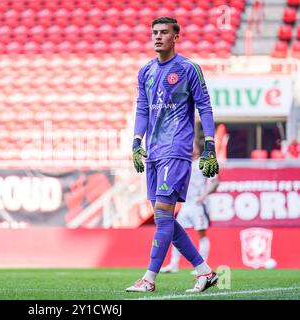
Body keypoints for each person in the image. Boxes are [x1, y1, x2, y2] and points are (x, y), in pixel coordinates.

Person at [126, 17, 219, 293]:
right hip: (153, 153)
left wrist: (210, 144)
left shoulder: (188, 68)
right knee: (162, 218)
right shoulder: (145, 72)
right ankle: (205, 272)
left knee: (164, 215)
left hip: (176, 150)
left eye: (164, 32)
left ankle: (149, 278)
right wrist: (135, 142)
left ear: (176, 37)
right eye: (154, 32)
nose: (158, 36)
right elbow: (142, 109)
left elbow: (205, 107)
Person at [160, 141, 219, 274]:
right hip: (186, 205)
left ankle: (202, 266)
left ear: (197, 149)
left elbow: (215, 182)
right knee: (175, 232)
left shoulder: (202, 163)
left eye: (191, 146)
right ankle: (174, 264)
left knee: (201, 233)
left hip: (199, 204)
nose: (188, 148)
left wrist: (204, 196)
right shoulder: (183, 164)